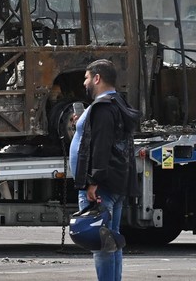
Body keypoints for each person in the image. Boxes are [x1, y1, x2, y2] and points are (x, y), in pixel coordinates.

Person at [71, 59, 138, 281]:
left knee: (101, 244)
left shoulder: (102, 107)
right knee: (112, 240)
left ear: (97, 78)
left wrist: (93, 181)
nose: (85, 83)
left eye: (87, 78)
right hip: (115, 182)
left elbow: (101, 146)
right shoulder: (117, 103)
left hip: (101, 187)